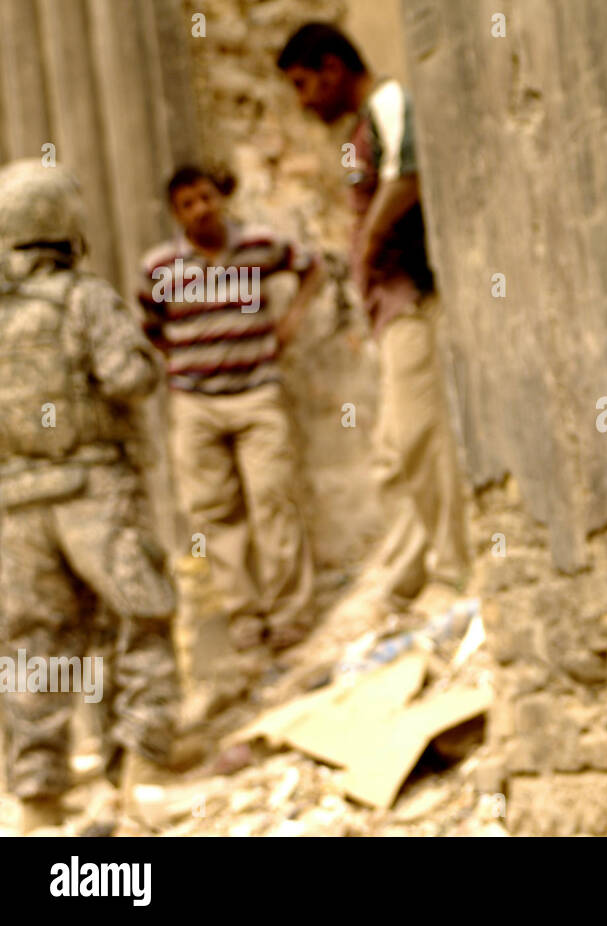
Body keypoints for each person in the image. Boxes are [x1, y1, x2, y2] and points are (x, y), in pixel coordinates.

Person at [0, 159, 180, 833]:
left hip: (16, 508)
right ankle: (142, 774)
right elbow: (128, 378)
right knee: (140, 619)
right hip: (95, 493)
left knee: (32, 647)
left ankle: (39, 797)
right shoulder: (83, 296)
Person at [276, 22, 472, 619]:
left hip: (410, 297)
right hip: (387, 307)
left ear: (334, 68)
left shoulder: (388, 102)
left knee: (418, 437)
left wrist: (365, 247)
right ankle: (410, 578)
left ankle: (455, 571)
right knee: (391, 451)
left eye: (305, 84)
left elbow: (407, 178)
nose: (304, 102)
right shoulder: (359, 130)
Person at [138, 166, 321, 657]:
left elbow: (311, 265)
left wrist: (292, 319)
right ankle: (244, 616)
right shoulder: (159, 267)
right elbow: (149, 324)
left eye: (205, 198)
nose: (200, 210)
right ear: (176, 214)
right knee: (214, 512)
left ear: (219, 198)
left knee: (272, 499)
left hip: (257, 392)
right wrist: (182, 358)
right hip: (196, 404)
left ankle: (290, 614)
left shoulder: (259, 246)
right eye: (188, 204)